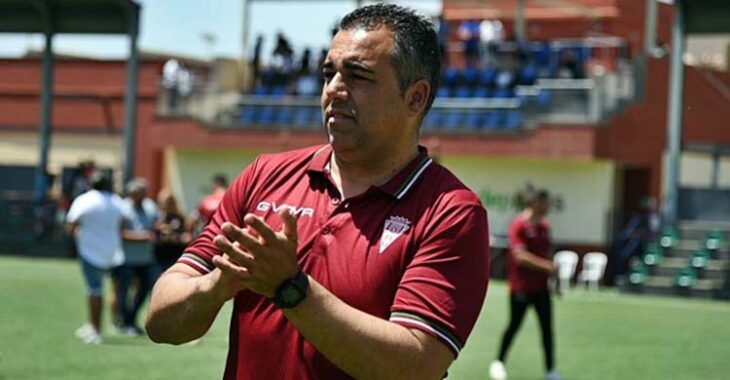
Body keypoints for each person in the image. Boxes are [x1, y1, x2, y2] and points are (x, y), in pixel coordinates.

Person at [146, 4, 491, 380]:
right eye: (329, 73)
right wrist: (217, 285)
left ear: (415, 98)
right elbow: (161, 323)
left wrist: (290, 288)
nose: (334, 90)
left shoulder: (452, 212)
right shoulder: (265, 174)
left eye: (358, 76)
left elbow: (417, 365)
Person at [489, 188, 561, 380]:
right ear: (535, 203)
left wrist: (555, 280)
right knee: (514, 325)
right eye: (545, 202)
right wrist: (548, 267)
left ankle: (551, 370)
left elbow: (549, 253)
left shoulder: (545, 226)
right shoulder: (519, 225)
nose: (548, 206)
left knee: (547, 329)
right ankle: (498, 362)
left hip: (542, 289)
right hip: (521, 287)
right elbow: (520, 257)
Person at [66, 171, 126, 344]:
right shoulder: (116, 201)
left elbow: (71, 225)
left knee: (94, 290)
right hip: (113, 252)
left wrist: (78, 234)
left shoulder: (84, 200)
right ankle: (97, 324)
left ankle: (96, 330)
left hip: (89, 251)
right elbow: (124, 223)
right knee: (111, 290)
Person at [117, 177, 160, 336]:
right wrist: (143, 236)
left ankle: (131, 318)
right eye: (139, 193)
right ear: (132, 194)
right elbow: (120, 233)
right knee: (124, 292)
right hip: (125, 257)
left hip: (146, 258)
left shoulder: (150, 206)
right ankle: (125, 321)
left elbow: (156, 226)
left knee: (146, 289)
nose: (142, 196)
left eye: (143, 193)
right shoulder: (123, 208)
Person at [154, 189, 191, 272]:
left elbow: (186, 236)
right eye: (162, 202)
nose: (165, 205)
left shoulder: (179, 217)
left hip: (176, 255)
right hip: (159, 257)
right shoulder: (156, 216)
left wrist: (174, 237)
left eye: (167, 202)